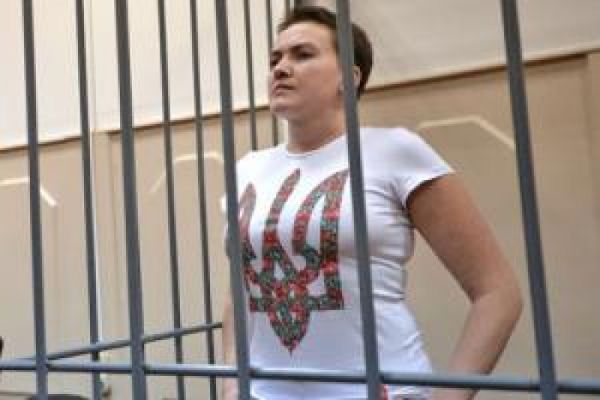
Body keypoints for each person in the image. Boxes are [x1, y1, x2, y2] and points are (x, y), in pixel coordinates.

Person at [222, 6, 523, 400]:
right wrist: (231, 383)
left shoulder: (393, 151)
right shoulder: (249, 169)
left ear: (349, 77)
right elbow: (241, 290)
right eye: (274, 59)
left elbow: (498, 293)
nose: (280, 68)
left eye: (303, 54)